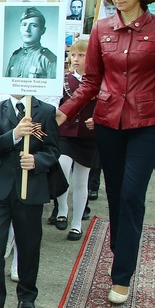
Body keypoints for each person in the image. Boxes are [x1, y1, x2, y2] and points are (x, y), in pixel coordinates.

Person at [56, 0, 155, 305]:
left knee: (130, 195)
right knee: (115, 196)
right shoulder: (102, 29)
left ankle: (122, 274)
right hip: (109, 124)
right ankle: (121, 254)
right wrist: (63, 111)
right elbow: (91, 82)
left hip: (148, 125)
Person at [0, 90, 60, 308]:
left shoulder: (44, 110)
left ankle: (26, 294)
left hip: (29, 186)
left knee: (28, 243)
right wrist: (14, 134)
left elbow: (53, 149)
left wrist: (37, 161)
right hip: (0, 186)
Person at [56, 40, 97, 241]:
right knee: (62, 165)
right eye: (73, 55)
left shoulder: (99, 80)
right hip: (66, 133)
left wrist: (98, 118)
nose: (76, 59)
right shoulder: (64, 80)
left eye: (81, 55)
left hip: (88, 137)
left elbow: (107, 104)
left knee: (82, 180)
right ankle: (62, 209)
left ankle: (77, 223)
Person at [5, 7, 57, 79]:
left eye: (33, 25)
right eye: (24, 25)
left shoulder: (48, 58)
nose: (27, 29)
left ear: (42, 30)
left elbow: (53, 88)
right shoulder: (15, 57)